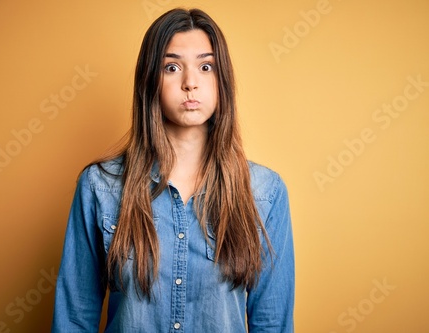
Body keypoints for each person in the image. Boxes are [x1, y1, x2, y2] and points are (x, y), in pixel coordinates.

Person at [51, 8, 294, 333]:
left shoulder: (265, 191)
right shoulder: (100, 186)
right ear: (151, 80)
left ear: (222, 80)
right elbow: (74, 318)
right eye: (172, 67)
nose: (190, 83)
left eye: (205, 67)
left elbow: (272, 324)